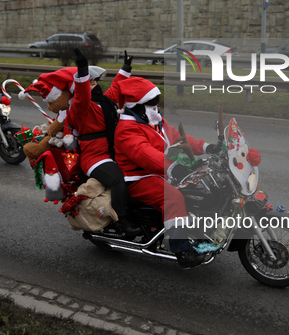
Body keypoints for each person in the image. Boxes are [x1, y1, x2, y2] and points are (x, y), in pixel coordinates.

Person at [113, 77, 221, 268]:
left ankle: (199, 232)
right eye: (152, 103)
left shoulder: (154, 120)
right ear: (137, 106)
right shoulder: (127, 129)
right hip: (138, 177)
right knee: (173, 198)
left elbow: (180, 138)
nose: (156, 106)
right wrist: (173, 167)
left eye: (157, 101)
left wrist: (208, 147)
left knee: (198, 190)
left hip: (159, 172)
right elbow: (145, 154)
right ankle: (182, 251)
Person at [71, 49, 140, 236]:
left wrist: (126, 66)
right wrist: (83, 70)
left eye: (95, 80)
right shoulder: (81, 107)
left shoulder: (103, 101)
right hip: (94, 157)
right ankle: (123, 221)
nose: (95, 83)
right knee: (118, 179)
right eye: (92, 81)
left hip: (111, 152)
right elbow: (81, 95)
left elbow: (117, 88)